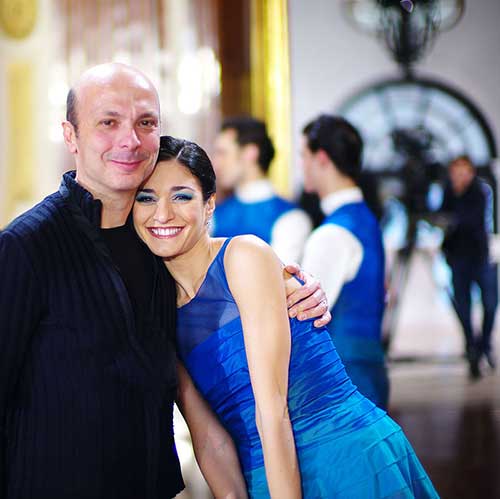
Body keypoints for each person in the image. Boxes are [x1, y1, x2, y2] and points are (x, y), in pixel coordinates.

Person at [0, 62, 329, 499]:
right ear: (70, 135)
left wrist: (296, 288)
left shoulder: (158, 245)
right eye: (108, 122)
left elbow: (221, 293)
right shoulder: (26, 246)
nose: (130, 140)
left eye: (146, 122)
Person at [133, 135, 439, 498]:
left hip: (343, 461)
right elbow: (209, 440)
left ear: (209, 204)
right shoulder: (156, 309)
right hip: (262, 475)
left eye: (181, 195)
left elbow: (272, 411)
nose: (162, 213)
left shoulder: (243, 257)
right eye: (146, 198)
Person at [300, 114, 389, 410]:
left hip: (343, 380)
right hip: (370, 368)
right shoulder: (365, 219)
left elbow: (303, 317)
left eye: (304, 155)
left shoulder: (333, 233)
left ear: (322, 158)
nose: (302, 166)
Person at [212, 117, 312, 263]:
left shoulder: (291, 218)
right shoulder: (214, 215)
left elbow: (277, 280)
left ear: (250, 153)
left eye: (223, 153)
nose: (216, 163)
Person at [441, 155, 498, 378]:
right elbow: (442, 216)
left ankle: (484, 346)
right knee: (462, 307)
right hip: (458, 258)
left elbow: (470, 221)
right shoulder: (449, 191)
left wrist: (453, 222)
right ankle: (473, 348)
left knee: (490, 304)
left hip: (480, 256)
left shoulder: (480, 191)